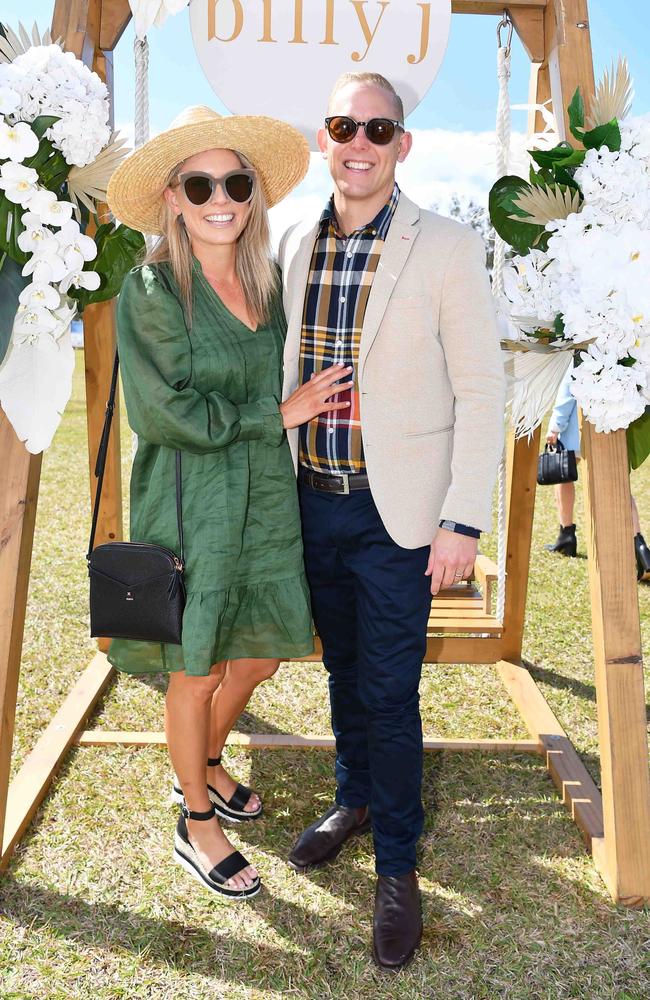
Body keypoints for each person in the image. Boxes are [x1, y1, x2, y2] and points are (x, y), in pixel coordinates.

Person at [278, 72, 506, 969]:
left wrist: (463, 522)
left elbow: (481, 391)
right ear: (324, 139)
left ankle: (398, 871)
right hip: (313, 503)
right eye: (344, 125)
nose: (359, 141)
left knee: (390, 691)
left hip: (401, 516)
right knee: (341, 669)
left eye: (378, 127)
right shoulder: (294, 242)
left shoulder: (446, 246)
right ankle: (355, 799)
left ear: (401, 144)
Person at [105, 107, 351, 901]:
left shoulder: (263, 278)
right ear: (174, 197)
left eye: (236, 182)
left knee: (260, 653)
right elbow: (161, 413)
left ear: (252, 195)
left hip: (266, 496)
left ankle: (202, 764)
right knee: (195, 668)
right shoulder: (149, 288)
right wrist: (275, 416)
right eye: (202, 183)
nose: (222, 197)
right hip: (190, 501)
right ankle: (196, 821)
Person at [545, 366, 650, 579]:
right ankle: (639, 545)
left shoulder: (581, 336)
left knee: (563, 472)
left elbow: (569, 383)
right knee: (618, 485)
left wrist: (556, 424)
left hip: (580, 421)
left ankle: (567, 535)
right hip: (609, 419)